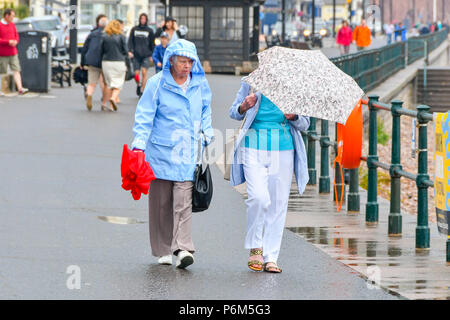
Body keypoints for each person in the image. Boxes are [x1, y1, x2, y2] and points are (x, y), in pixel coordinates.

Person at [131, 39, 213, 269]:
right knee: (161, 202)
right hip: (160, 150)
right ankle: (162, 249)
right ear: (171, 61)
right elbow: (144, 115)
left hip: (187, 150)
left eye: (190, 61)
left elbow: (206, 109)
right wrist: (139, 143)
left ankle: (183, 247)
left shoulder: (199, 83)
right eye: (183, 61)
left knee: (183, 200)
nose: (187, 66)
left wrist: (206, 131)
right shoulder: (157, 84)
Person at [229, 83, 310, 273]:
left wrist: (295, 116)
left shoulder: (295, 89)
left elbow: (305, 124)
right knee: (258, 197)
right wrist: (244, 106)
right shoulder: (250, 84)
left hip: (283, 149)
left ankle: (271, 257)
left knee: (278, 204)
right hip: (252, 146)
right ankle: (255, 247)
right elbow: (233, 112)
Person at [81, 14, 108, 111]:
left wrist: (82, 63)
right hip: (104, 61)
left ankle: (89, 94)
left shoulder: (92, 34)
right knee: (105, 84)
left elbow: (85, 49)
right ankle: (104, 103)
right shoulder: (108, 34)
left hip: (92, 61)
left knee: (91, 83)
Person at [99, 20, 127, 112]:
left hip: (106, 62)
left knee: (108, 84)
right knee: (118, 83)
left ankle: (104, 103)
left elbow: (101, 50)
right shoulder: (122, 37)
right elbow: (125, 51)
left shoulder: (104, 36)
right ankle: (113, 98)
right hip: (119, 62)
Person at [0, 8, 28, 96]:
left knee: (16, 70)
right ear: (6, 16)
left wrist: (15, 41)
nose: (13, 18)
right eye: (12, 16)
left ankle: (20, 88)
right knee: (1, 72)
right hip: (3, 53)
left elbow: (16, 35)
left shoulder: (12, 25)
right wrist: (8, 42)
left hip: (13, 52)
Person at [128, 13, 155, 96]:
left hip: (146, 55)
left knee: (144, 72)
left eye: (144, 19)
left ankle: (143, 91)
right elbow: (130, 41)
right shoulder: (134, 29)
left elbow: (152, 43)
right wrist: (130, 51)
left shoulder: (150, 30)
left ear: (146, 20)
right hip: (136, 55)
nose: (143, 20)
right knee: (136, 74)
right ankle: (138, 84)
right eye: (141, 19)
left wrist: (152, 55)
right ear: (139, 19)